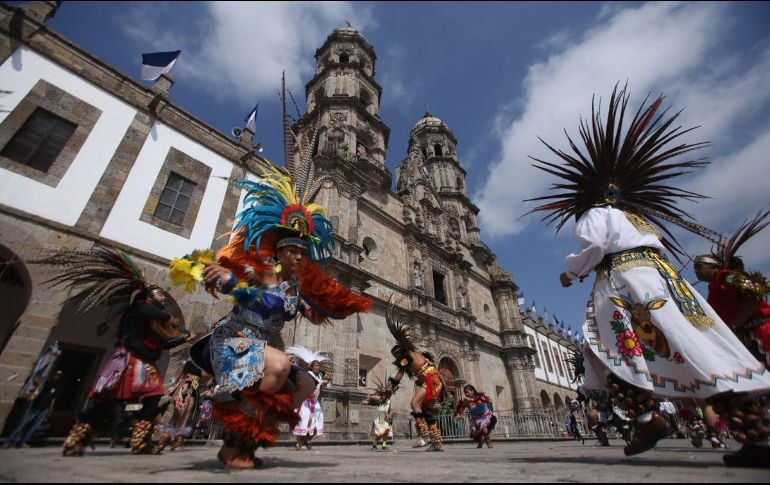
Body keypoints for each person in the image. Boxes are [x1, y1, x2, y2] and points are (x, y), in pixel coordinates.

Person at [526, 85, 770, 465]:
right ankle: (757, 435)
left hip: (626, 282)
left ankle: (645, 418)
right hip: (664, 281)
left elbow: (594, 246)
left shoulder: (593, 214)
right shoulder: (636, 219)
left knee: (604, 347)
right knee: (697, 350)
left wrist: (571, 273)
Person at [180, 77, 372, 469]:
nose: (297, 254)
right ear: (279, 250)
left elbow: (312, 313)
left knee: (306, 382)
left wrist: (339, 305)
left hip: (263, 349)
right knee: (282, 366)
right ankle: (237, 435)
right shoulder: (260, 270)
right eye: (290, 249)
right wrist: (222, 277)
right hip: (235, 343)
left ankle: (248, 437)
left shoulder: (295, 287)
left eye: (302, 250)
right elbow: (237, 284)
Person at [34, 246, 196, 456]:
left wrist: (183, 339)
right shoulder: (138, 308)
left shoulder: (153, 321)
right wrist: (169, 319)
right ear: (148, 297)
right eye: (160, 295)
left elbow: (162, 344)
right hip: (130, 362)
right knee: (111, 401)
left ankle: (140, 441)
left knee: (153, 398)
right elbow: (156, 313)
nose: (164, 299)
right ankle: (77, 437)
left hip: (146, 366)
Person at [385, 298, 446, 451]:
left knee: (414, 403)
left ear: (399, 352)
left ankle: (424, 434)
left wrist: (390, 387)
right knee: (427, 411)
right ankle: (437, 443)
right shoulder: (415, 353)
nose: (396, 358)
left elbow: (399, 373)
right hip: (435, 380)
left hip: (431, 380)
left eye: (395, 355)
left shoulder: (406, 356)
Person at [286, 347, 332, 450]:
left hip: (314, 402)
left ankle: (307, 440)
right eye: (315, 365)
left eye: (318, 365)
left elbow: (321, 386)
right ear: (311, 367)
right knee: (305, 420)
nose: (317, 367)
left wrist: (326, 382)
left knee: (316, 422)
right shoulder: (308, 374)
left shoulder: (319, 376)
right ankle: (299, 442)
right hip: (305, 401)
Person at [4, 370, 62, 448]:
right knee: (22, 424)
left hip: (44, 409)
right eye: (55, 374)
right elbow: (33, 391)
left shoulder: (56, 387)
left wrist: (50, 409)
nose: (56, 376)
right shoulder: (44, 383)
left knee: (33, 427)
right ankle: (9, 441)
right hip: (34, 406)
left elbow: (53, 399)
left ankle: (23, 442)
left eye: (58, 375)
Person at [454, 384, 495, 448]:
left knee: (483, 428)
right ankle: (480, 440)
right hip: (475, 418)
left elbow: (482, 402)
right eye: (465, 393)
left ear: (472, 391)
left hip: (484, 416)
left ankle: (488, 441)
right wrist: (459, 415)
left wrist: (471, 400)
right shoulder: (466, 401)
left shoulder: (480, 396)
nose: (466, 394)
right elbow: (460, 409)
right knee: (473, 433)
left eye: (467, 392)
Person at [365, 378, 395, 450]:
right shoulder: (379, 400)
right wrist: (380, 398)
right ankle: (374, 444)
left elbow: (390, 410)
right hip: (379, 417)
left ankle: (384, 445)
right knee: (381, 433)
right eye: (383, 394)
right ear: (381, 394)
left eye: (385, 394)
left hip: (385, 417)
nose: (385, 396)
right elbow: (370, 397)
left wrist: (390, 415)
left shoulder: (388, 401)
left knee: (386, 431)